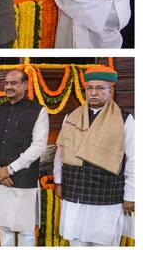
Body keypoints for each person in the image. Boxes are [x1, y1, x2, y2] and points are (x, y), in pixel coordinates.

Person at [54, 65, 134, 246]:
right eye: (89, 88)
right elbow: (61, 152)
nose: (93, 93)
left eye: (100, 88)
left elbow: (134, 160)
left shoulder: (124, 119)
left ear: (110, 90)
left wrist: (131, 194)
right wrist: (58, 182)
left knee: (103, 244)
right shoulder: (71, 117)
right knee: (75, 242)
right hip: (74, 194)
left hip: (106, 196)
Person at [0, 69, 49, 246]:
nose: (9, 87)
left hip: (23, 179)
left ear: (25, 85)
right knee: (4, 228)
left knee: (25, 229)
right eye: (7, 83)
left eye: (14, 83)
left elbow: (39, 146)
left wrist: (9, 170)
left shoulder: (38, 111)